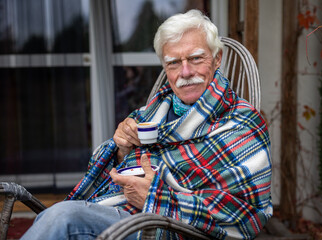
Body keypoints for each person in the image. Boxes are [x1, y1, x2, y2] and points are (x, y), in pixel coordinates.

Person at [21, 9, 272, 240]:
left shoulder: (241, 124)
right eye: (173, 62)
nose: (184, 72)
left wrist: (155, 198)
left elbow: (247, 216)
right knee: (57, 218)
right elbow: (104, 175)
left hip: (163, 228)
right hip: (113, 210)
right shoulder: (150, 114)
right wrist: (121, 149)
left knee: (62, 218)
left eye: (196, 58)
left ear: (217, 59)